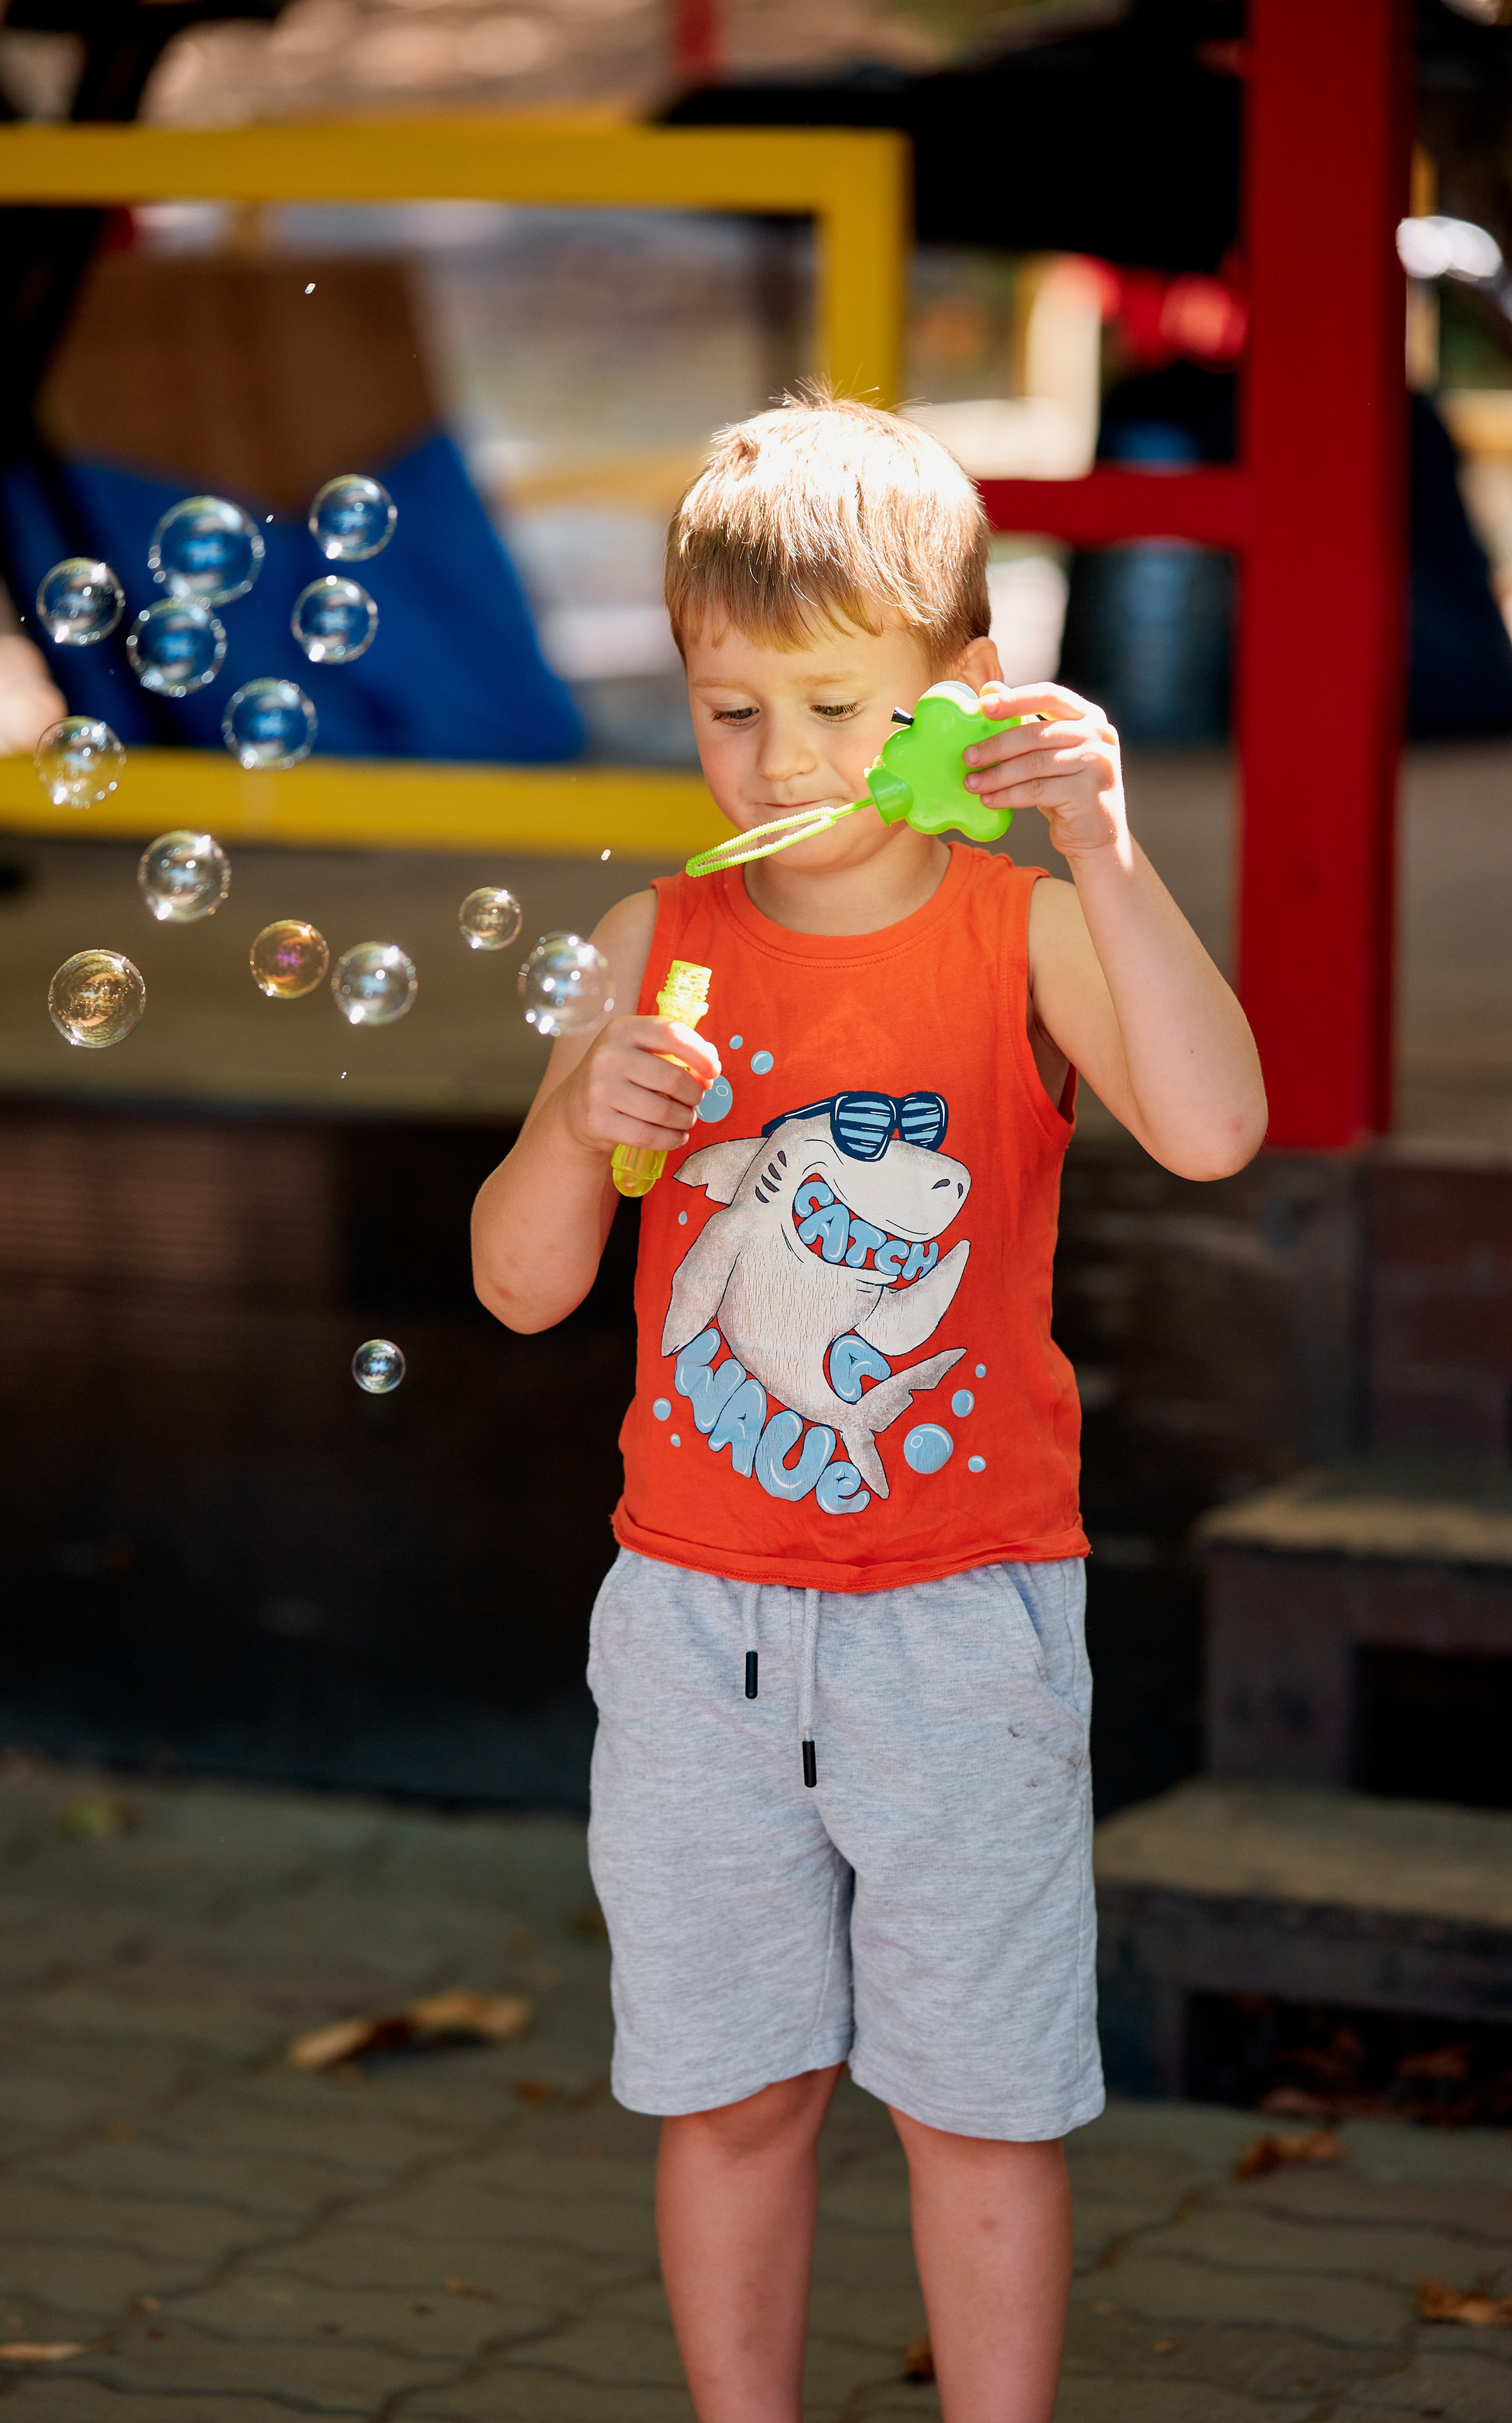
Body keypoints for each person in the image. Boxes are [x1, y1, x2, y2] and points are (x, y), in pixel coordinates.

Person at [471, 391, 1265, 2423]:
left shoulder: (1027, 925)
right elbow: (523, 1278)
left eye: (836, 706)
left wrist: (1097, 837)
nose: (783, 761)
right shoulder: (658, 941)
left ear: (960, 693)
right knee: (736, 2091)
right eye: (733, 711)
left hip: (962, 1617)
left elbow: (1215, 1120)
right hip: (694, 1622)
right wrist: (578, 1110)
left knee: (980, 2105)